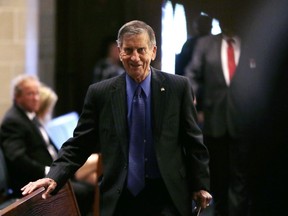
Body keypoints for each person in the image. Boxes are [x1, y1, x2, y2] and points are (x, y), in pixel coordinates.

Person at [21, 20, 212, 216]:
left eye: (141, 50)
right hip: (121, 198)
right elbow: (80, 143)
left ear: (153, 51)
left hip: (168, 195)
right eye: (128, 50)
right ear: (119, 52)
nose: (135, 57)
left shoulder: (178, 88)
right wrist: (54, 176)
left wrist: (200, 185)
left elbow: (193, 141)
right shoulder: (100, 93)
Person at [184, 15, 251, 216]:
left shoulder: (249, 42)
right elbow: (192, 74)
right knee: (219, 177)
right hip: (215, 122)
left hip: (244, 121)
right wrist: (193, 102)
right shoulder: (206, 44)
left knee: (241, 177)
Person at [0, 75, 94, 215]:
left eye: (37, 93)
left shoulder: (30, 116)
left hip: (49, 173)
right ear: (17, 97)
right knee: (86, 191)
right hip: (30, 183)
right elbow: (17, 159)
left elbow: (48, 147)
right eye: (30, 94)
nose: (36, 98)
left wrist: (58, 167)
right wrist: (46, 171)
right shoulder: (13, 121)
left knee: (91, 183)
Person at [37, 83, 99, 186]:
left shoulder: (41, 124)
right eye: (49, 108)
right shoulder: (37, 126)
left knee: (94, 175)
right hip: (62, 168)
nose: (49, 111)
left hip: (62, 162)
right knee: (100, 160)